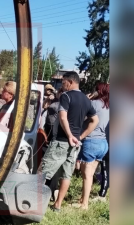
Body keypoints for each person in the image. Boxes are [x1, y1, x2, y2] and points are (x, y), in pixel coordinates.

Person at [41, 71, 99, 212]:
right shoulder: (86, 100)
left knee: (43, 171)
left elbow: (62, 117)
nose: (62, 84)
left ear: (71, 82)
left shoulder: (66, 96)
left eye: (64, 81)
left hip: (61, 141)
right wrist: (79, 137)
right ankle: (58, 205)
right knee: (66, 175)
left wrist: (69, 135)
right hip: (75, 145)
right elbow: (95, 120)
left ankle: (32, 200)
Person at [76, 82, 109, 210]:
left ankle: (84, 204)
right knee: (89, 175)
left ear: (98, 91)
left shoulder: (94, 104)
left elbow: (81, 116)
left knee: (87, 175)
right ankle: (83, 199)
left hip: (91, 142)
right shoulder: (108, 106)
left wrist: (87, 99)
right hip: (103, 143)